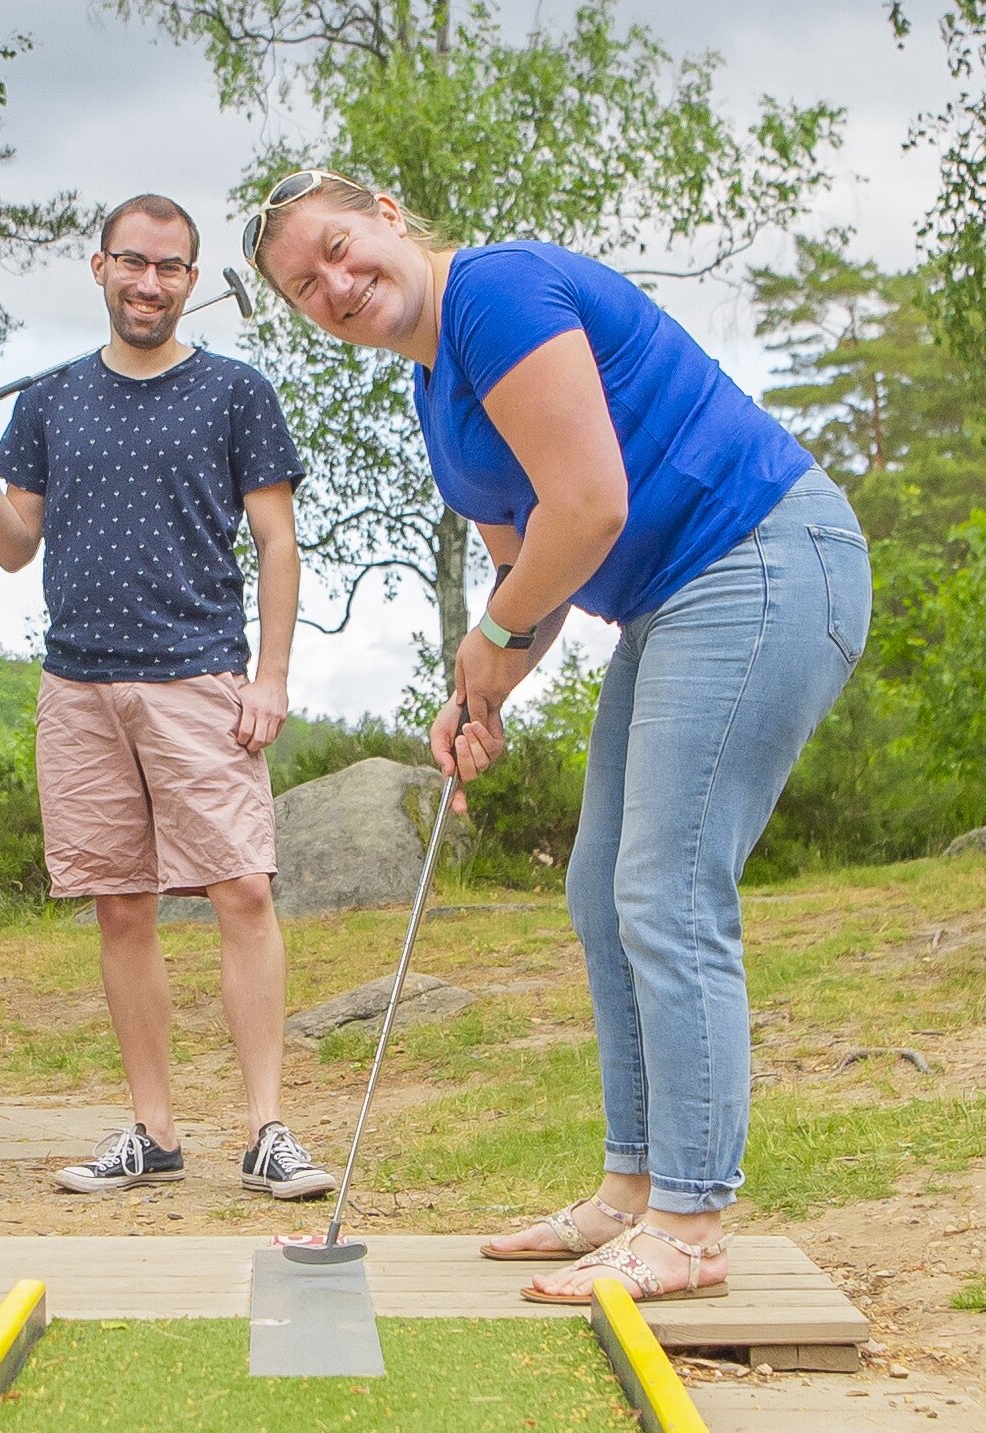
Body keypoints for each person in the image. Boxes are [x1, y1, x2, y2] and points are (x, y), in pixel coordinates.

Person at [246, 170, 871, 1303]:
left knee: (667, 888)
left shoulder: (494, 292)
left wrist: (490, 639)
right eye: (304, 286)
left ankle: (689, 1223)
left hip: (762, 560)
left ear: (386, 214)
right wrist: (477, 693)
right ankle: (630, 1193)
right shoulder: (435, 394)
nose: (335, 285)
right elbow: (524, 579)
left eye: (337, 248)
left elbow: (588, 505)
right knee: (600, 890)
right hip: (673, 601)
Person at [0, 194, 337, 1203]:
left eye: (168, 268)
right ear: (100, 268)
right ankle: (152, 1132)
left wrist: (271, 675)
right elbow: (10, 547)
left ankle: (266, 1130)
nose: (148, 283)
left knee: (242, 891)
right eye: (131, 262)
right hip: (78, 686)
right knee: (119, 906)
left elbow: (276, 542)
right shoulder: (52, 400)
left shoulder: (234, 392)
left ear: (189, 281)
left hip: (198, 676)